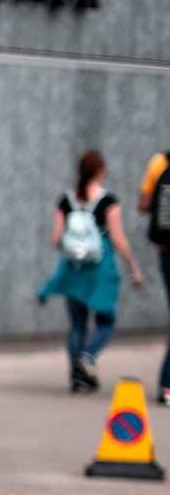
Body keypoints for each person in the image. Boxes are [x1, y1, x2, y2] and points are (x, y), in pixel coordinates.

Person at [39, 150, 142, 393]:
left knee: (77, 324)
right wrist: (134, 268)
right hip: (100, 269)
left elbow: (56, 238)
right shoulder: (108, 201)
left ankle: (77, 378)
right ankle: (87, 357)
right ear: (101, 171)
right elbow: (118, 238)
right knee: (106, 320)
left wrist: (75, 249)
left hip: (73, 269)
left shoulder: (66, 200)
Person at [142, 149, 170, 403]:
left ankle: (167, 384)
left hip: (165, 250)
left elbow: (143, 204)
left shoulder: (159, 162)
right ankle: (167, 384)